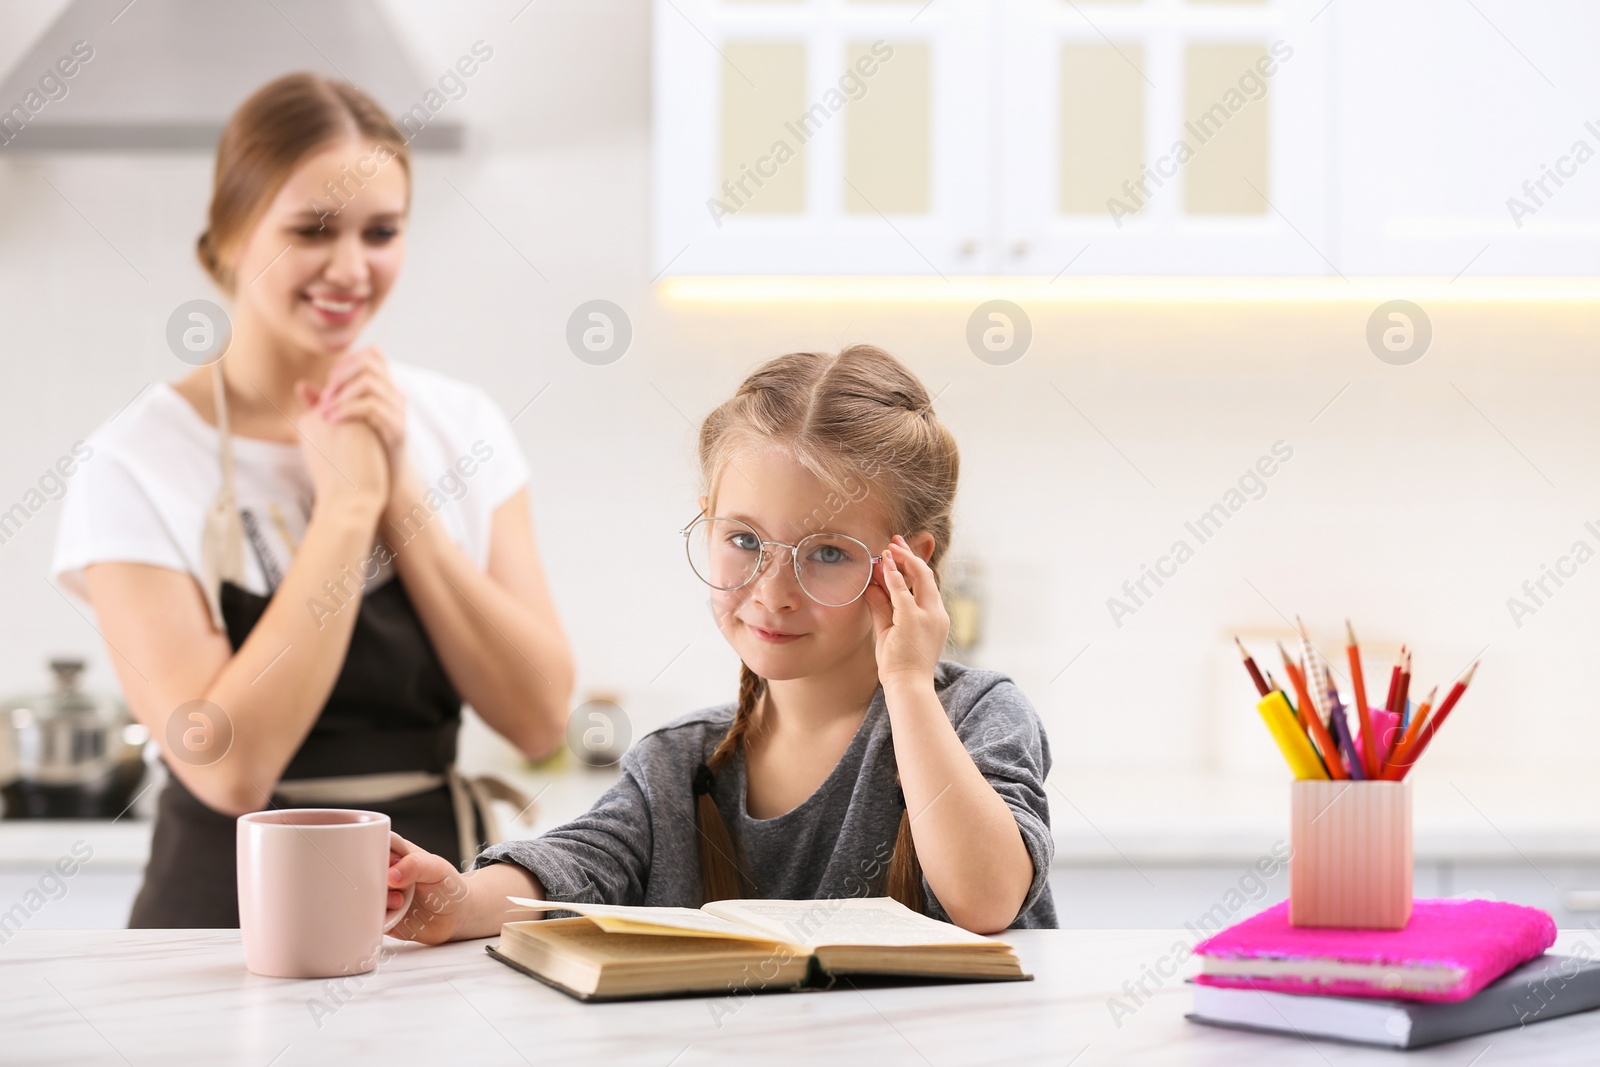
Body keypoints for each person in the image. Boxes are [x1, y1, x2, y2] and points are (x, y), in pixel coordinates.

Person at [51, 73, 574, 927]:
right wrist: (345, 508)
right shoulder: (135, 461)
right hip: (217, 922)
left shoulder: (460, 424)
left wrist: (401, 493)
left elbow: (538, 715)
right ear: (229, 235)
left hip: (427, 913)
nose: (350, 267)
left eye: (382, 231)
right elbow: (227, 768)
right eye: (312, 229)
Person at [385, 344, 1055, 941]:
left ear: (907, 564)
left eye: (826, 551)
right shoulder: (680, 764)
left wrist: (909, 682)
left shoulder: (976, 717)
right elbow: (577, 864)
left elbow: (986, 898)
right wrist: (460, 901)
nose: (773, 590)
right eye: (744, 540)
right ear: (707, 522)